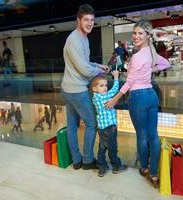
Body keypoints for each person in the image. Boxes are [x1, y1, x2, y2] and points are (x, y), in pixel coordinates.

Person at [104, 19, 171, 187]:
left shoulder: (137, 57)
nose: (136, 36)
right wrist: (150, 69)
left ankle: (145, 169)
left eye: (140, 33)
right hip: (151, 96)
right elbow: (167, 63)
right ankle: (154, 174)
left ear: (147, 35)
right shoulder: (151, 52)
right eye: (134, 33)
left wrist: (114, 99)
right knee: (153, 136)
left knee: (142, 136)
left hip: (139, 99)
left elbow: (129, 83)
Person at [60, 4, 109, 170]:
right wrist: (98, 72)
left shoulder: (83, 38)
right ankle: (87, 160)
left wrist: (98, 65)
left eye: (92, 20)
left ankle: (76, 161)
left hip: (69, 89)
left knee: (73, 126)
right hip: (76, 90)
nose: (89, 23)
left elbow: (85, 63)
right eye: (86, 19)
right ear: (78, 20)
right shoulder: (74, 40)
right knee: (91, 123)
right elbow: (84, 70)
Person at [90, 72, 128, 177]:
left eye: (106, 85)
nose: (105, 88)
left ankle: (101, 167)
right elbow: (115, 90)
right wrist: (116, 77)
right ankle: (116, 166)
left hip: (101, 128)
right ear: (94, 89)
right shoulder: (104, 97)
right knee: (112, 148)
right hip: (110, 128)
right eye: (101, 86)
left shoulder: (95, 98)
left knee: (102, 148)